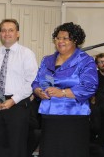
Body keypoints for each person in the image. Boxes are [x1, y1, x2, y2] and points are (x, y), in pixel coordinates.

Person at [32, 22, 98, 157]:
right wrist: (38, 90)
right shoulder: (48, 60)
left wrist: (62, 93)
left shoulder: (85, 60)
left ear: (75, 40)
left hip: (74, 116)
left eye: (65, 38)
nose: (60, 41)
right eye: (57, 38)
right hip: (49, 116)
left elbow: (89, 86)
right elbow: (39, 81)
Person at [0, 18, 38, 157]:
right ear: (0, 34)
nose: (7, 33)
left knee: (17, 147)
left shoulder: (27, 54)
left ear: (17, 33)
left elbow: (31, 81)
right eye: (3, 30)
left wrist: (13, 100)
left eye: (11, 30)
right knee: (1, 145)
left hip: (17, 105)